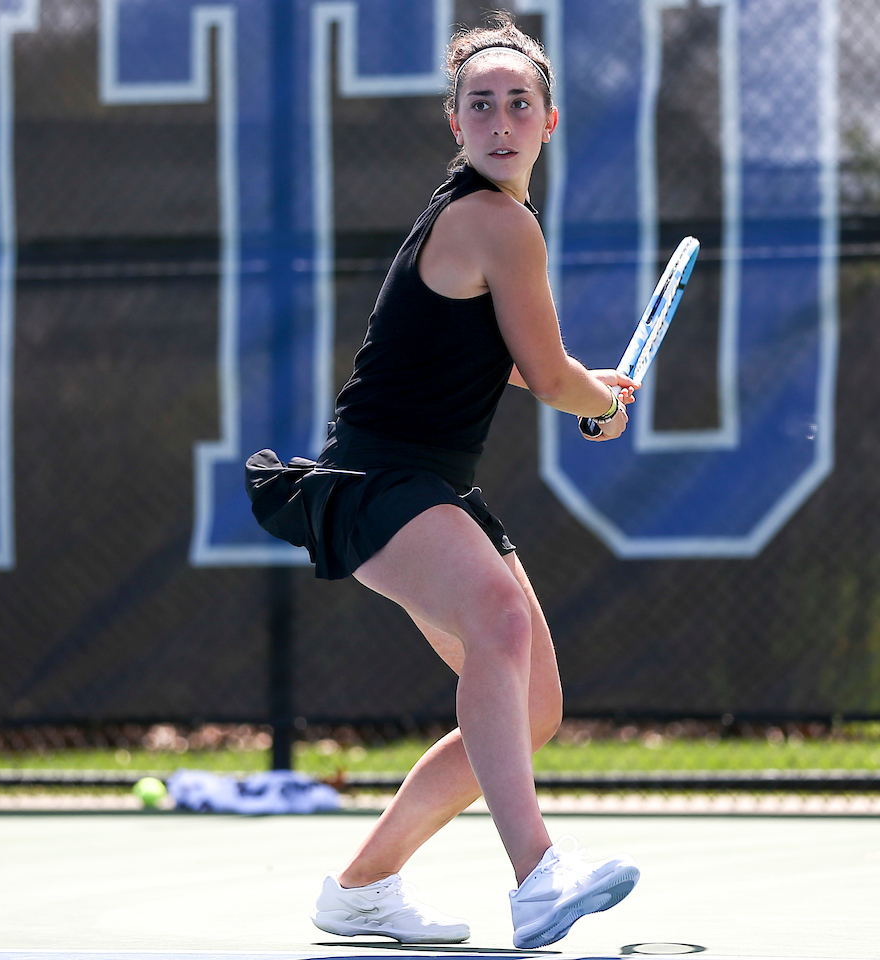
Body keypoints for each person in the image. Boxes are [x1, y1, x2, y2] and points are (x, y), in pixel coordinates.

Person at [244, 12, 643, 952]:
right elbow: (546, 375)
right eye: (481, 104)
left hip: (432, 482)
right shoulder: (494, 219)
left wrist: (584, 387)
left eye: (519, 103)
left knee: (530, 706)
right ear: (455, 123)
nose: (501, 120)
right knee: (500, 621)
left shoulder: (488, 221)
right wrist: (594, 402)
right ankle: (538, 875)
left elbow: (503, 357)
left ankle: (361, 888)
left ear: (549, 121)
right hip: (380, 475)